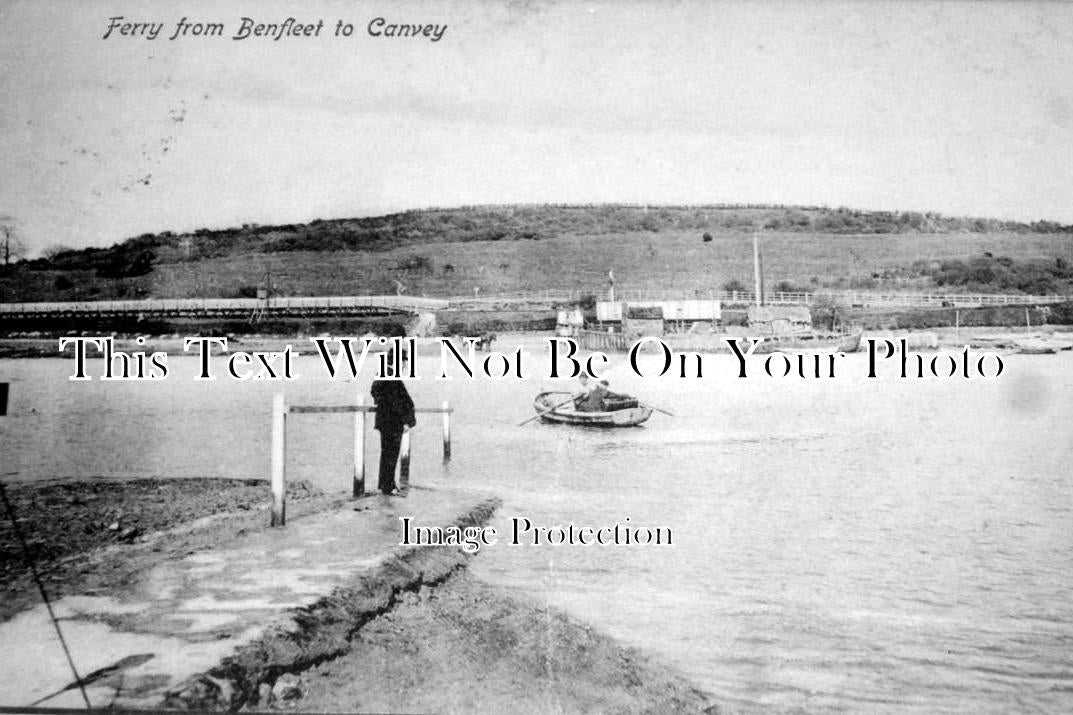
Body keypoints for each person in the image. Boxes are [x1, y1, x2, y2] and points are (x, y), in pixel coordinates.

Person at [370, 348, 416, 496]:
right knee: (391, 454)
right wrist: (405, 420)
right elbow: (396, 401)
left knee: (387, 454)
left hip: (385, 420)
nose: (403, 364)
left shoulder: (383, 373)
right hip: (392, 421)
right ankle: (388, 486)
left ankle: (385, 485)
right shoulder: (391, 376)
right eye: (402, 361)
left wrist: (380, 403)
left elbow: (375, 392)